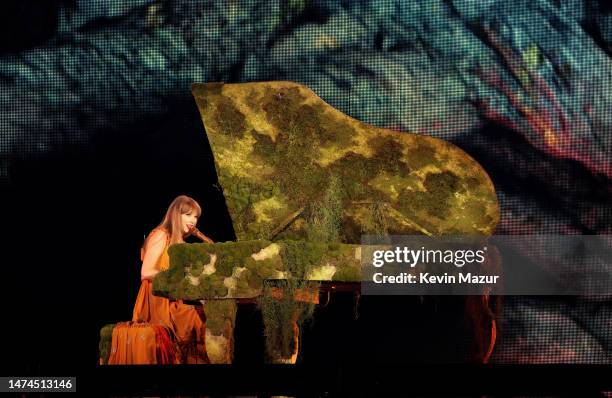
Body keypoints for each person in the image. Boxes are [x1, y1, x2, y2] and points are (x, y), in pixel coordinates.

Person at [130, 194, 213, 363]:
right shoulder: (161, 235)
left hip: (174, 301)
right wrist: (178, 278)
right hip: (156, 302)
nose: (194, 220)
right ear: (176, 215)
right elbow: (146, 272)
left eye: (196, 216)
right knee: (198, 320)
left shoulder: (181, 245)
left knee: (212, 315)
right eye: (188, 214)